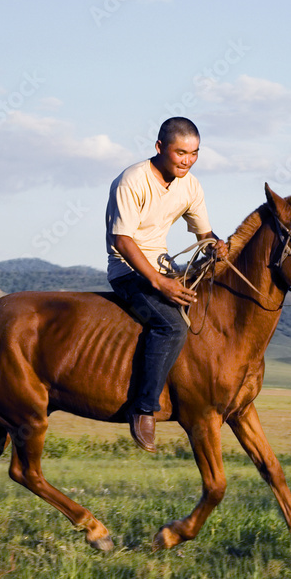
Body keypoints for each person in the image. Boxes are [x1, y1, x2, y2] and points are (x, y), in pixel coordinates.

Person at [105, 117, 228, 452]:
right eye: (180, 152)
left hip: (164, 266)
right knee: (172, 326)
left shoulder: (191, 185)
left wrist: (217, 244)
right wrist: (160, 282)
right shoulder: (132, 180)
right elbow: (123, 239)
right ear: (160, 148)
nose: (187, 160)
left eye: (194, 152)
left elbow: (204, 233)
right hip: (128, 270)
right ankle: (143, 408)